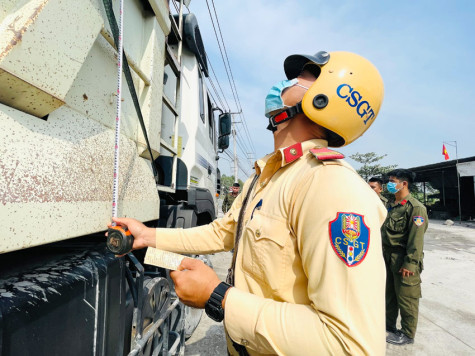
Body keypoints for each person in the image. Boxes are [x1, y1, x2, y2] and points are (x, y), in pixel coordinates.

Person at [110, 51, 387, 355]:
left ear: (325, 98)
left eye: (303, 76)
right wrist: (147, 236)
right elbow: (222, 233)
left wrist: (218, 296)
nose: (285, 84)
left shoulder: (331, 187)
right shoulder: (267, 175)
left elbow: (350, 345)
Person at [381, 169, 428, 345]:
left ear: (404, 183)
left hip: (404, 258)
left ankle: (408, 334)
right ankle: (389, 326)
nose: (389, 184)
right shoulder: (392, 205)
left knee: (407, 297)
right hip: (388, 257)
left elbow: (416, 240)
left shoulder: (416, 208)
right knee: (390, 295)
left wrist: (410, 263)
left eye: (392, 181)